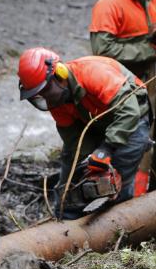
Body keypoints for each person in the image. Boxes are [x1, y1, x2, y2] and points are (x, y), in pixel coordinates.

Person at [17, 47, 151, 218]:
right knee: (69, 180)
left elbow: (129, 112)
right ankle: (65, 221)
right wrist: (86, 165)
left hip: (132, 120)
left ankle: (120, 226)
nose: (46, 98)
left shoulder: (93, 73)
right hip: (95, 123)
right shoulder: (56, 101)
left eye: (46, 91)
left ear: (60, 74)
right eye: (39, 96)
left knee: (117, 181)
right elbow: (74, 140)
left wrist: (105, 150)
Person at [90, 0, 156, 193]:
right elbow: (103, 52)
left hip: (150, 86)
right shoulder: (109, 4)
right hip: (125, 94)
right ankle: (131, 209)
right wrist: (148, 49)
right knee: (133, 151)